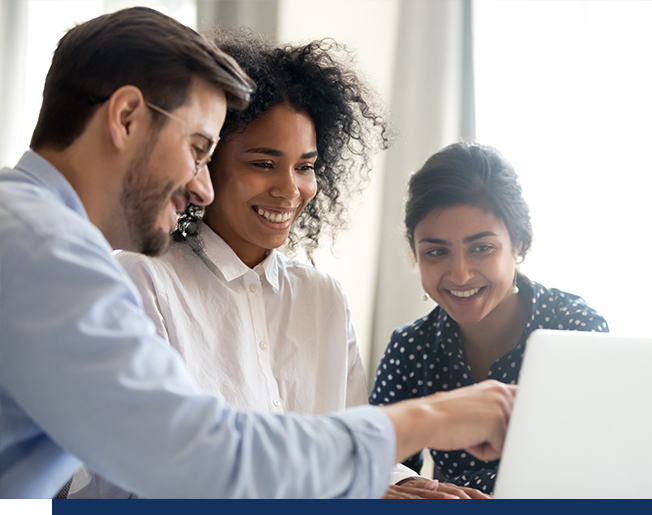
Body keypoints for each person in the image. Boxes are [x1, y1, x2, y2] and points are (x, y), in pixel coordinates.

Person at [0, 7, 516, 498]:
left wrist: (381, 479)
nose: (201, 188)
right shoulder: (48, 252)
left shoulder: (29, 229)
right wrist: (433, 419)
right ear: (128, 117)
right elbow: (196, 455)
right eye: (199, 148)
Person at [370, 141, 609, 495]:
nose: (461, 275)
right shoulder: (410, 347)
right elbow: (378, 461)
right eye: (436, 252)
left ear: (519, 244)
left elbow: (601, 464)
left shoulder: (576, 329)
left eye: (482, 248)